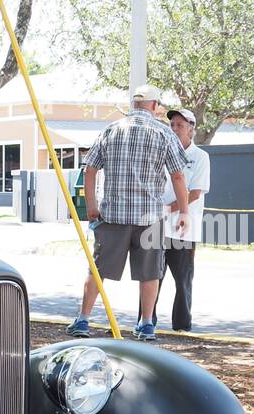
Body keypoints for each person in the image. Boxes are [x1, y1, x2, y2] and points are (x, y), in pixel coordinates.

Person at [68, 84, 190, 342]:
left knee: (97, 270)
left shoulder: (111, 130)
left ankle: (83, 319)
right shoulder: (164, 134)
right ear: (155, 106)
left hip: (113, 215)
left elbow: (90, 169)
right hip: (149, 218)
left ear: (133, 104)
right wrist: (184, 213)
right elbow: (178, 176)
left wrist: (91, 206)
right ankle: (146, 324)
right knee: (149, 273)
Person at [149, 106, 209, 332]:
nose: (174, 129)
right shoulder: (159, 153)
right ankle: (146, 321)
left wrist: (169, 209)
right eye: (172, 125)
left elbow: (195, 192)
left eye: (180, 125)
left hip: (184, 229)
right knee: (152, 277)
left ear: (191, 130)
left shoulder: (201, 157)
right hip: (157, 226)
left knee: (182, 280)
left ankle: (182, 326)